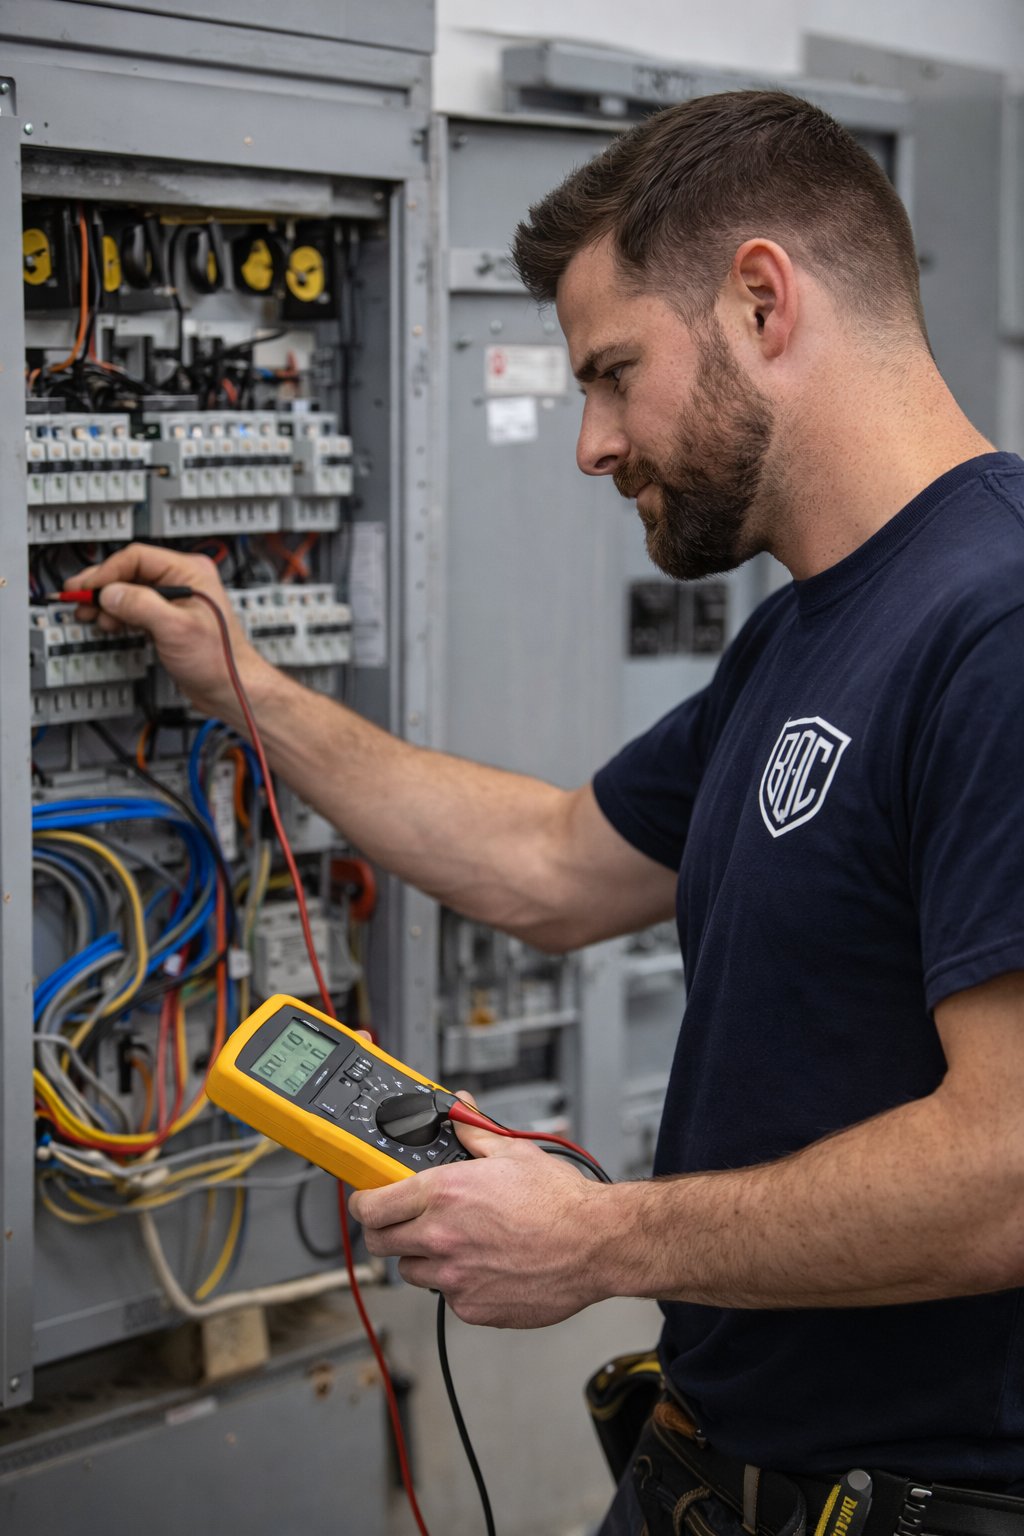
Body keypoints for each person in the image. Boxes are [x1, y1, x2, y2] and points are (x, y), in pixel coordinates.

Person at [76, 91, 1024, 1534]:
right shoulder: (805, 632)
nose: (590, 441)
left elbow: (1006, 1175)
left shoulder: (997, 624)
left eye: (613, 371)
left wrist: (599, 1241)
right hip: (714, 1473)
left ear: (763, 300)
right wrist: (247, 691)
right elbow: (553, 861)